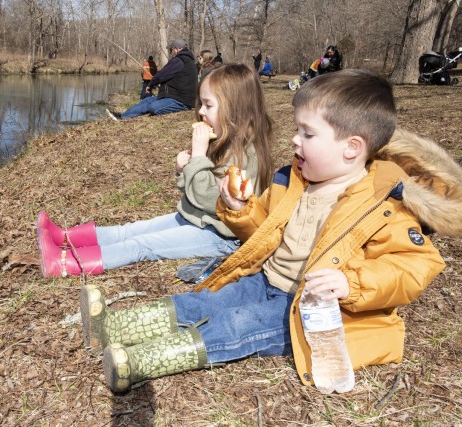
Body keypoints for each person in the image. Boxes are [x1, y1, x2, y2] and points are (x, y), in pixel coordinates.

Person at [80, 69, 462, 393]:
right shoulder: (292, 178)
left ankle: (142, 362)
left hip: (309, 310)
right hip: (267, 279)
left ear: (352, 148)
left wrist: (352, 284)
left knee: (237, 325)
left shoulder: (383, 204)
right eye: (297, 130)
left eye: (308, 134)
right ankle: (113, 327)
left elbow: (413, 266)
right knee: (209, 301)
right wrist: (238, 208)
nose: (295, 140)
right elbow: (260, 226)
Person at [38, 64, 274, 278]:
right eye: (201, 103)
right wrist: (183, 170)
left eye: (209, 105)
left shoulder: (247, 156)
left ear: (236, 110)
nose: (201, 111)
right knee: (128, 231)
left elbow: (210, 200)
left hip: (220, 236)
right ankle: (64, 238)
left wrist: (199, 158)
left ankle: (63, 263)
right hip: (193, 219)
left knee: (141, 245)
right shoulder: (223, 140)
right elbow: (193, 191)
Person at [106, 39, 198, 121]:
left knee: (153, 107)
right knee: (147, 100)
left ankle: (123, 117)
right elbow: (171, 78)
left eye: (171, 50)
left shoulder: (179, 60)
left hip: (182, 101)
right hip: (175, 96)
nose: (170, 53)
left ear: (176, 49)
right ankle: (122, 117)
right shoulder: (184, 60)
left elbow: (162, 74)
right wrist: (157, 85)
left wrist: (150, 85)